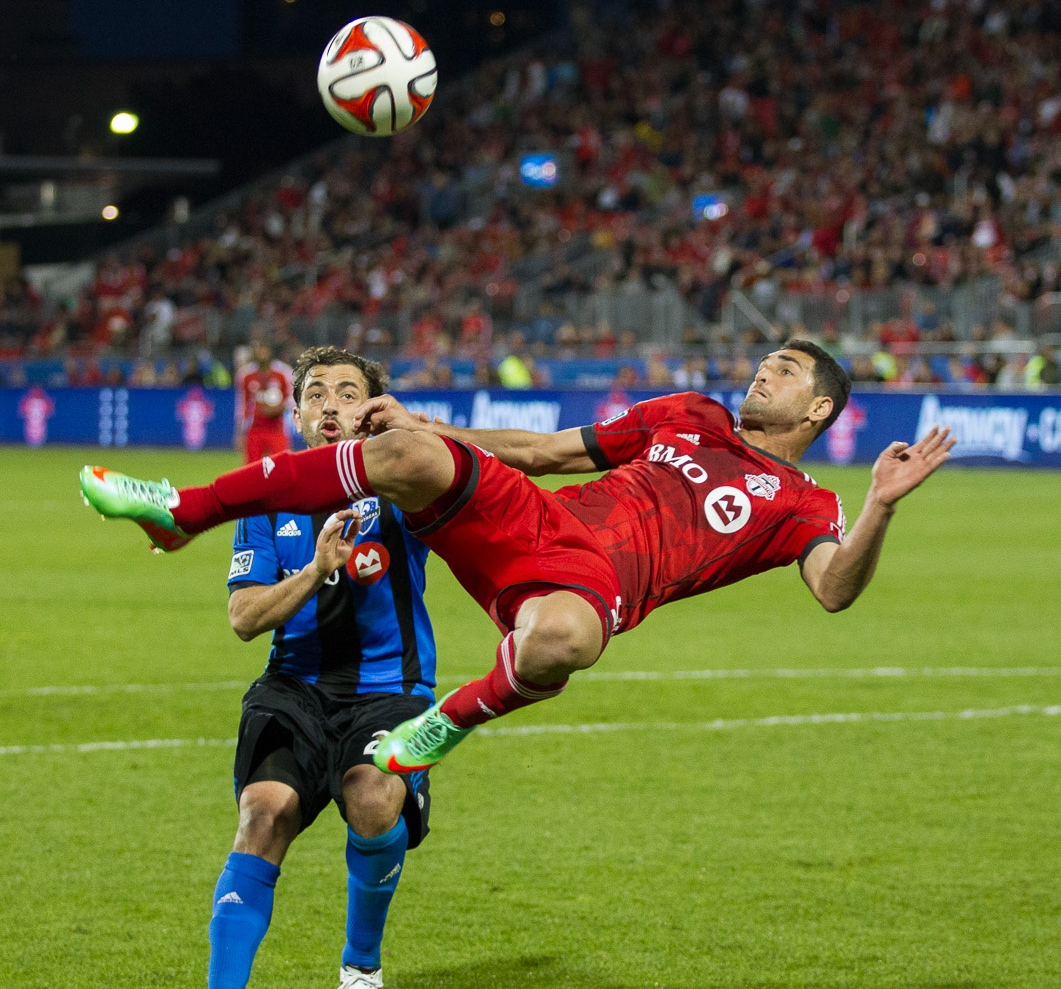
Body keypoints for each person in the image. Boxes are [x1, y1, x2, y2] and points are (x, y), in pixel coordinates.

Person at [80, 340, 953, 783]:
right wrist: (433, 427)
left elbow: (834, 590)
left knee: (570, 638)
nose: (765, 372)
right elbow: (543, 452)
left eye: (786, 371)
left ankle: (450, 718)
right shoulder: (688, 411)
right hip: (528, 521)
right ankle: (179, 514)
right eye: (767, 360)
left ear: (821, 406)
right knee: (414, 454)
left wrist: (877, 504)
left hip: (589, 585)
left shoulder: (804, 502)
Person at [173, 346, 436, 989]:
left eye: (347, 393)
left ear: (372, 410)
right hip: (294, 686)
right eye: (314, 393)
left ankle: (360, 970)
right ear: (293, 414)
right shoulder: (269, 500)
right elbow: (244, 617)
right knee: (262, 813)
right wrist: (318, 570)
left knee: (372, 796)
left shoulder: (408, 488)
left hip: (392, 687)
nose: (329, 404)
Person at [235, 341, 293, 463]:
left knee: (282, 465)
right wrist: (239, 432)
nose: (261, 353)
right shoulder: (245, 374)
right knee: (251, 469)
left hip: (277, 429)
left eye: (264, 349)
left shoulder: (284, 372)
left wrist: (279, 408)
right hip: (254, 429)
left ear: (270, 351)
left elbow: (293, 399)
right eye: (258, 350)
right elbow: (242, 405)